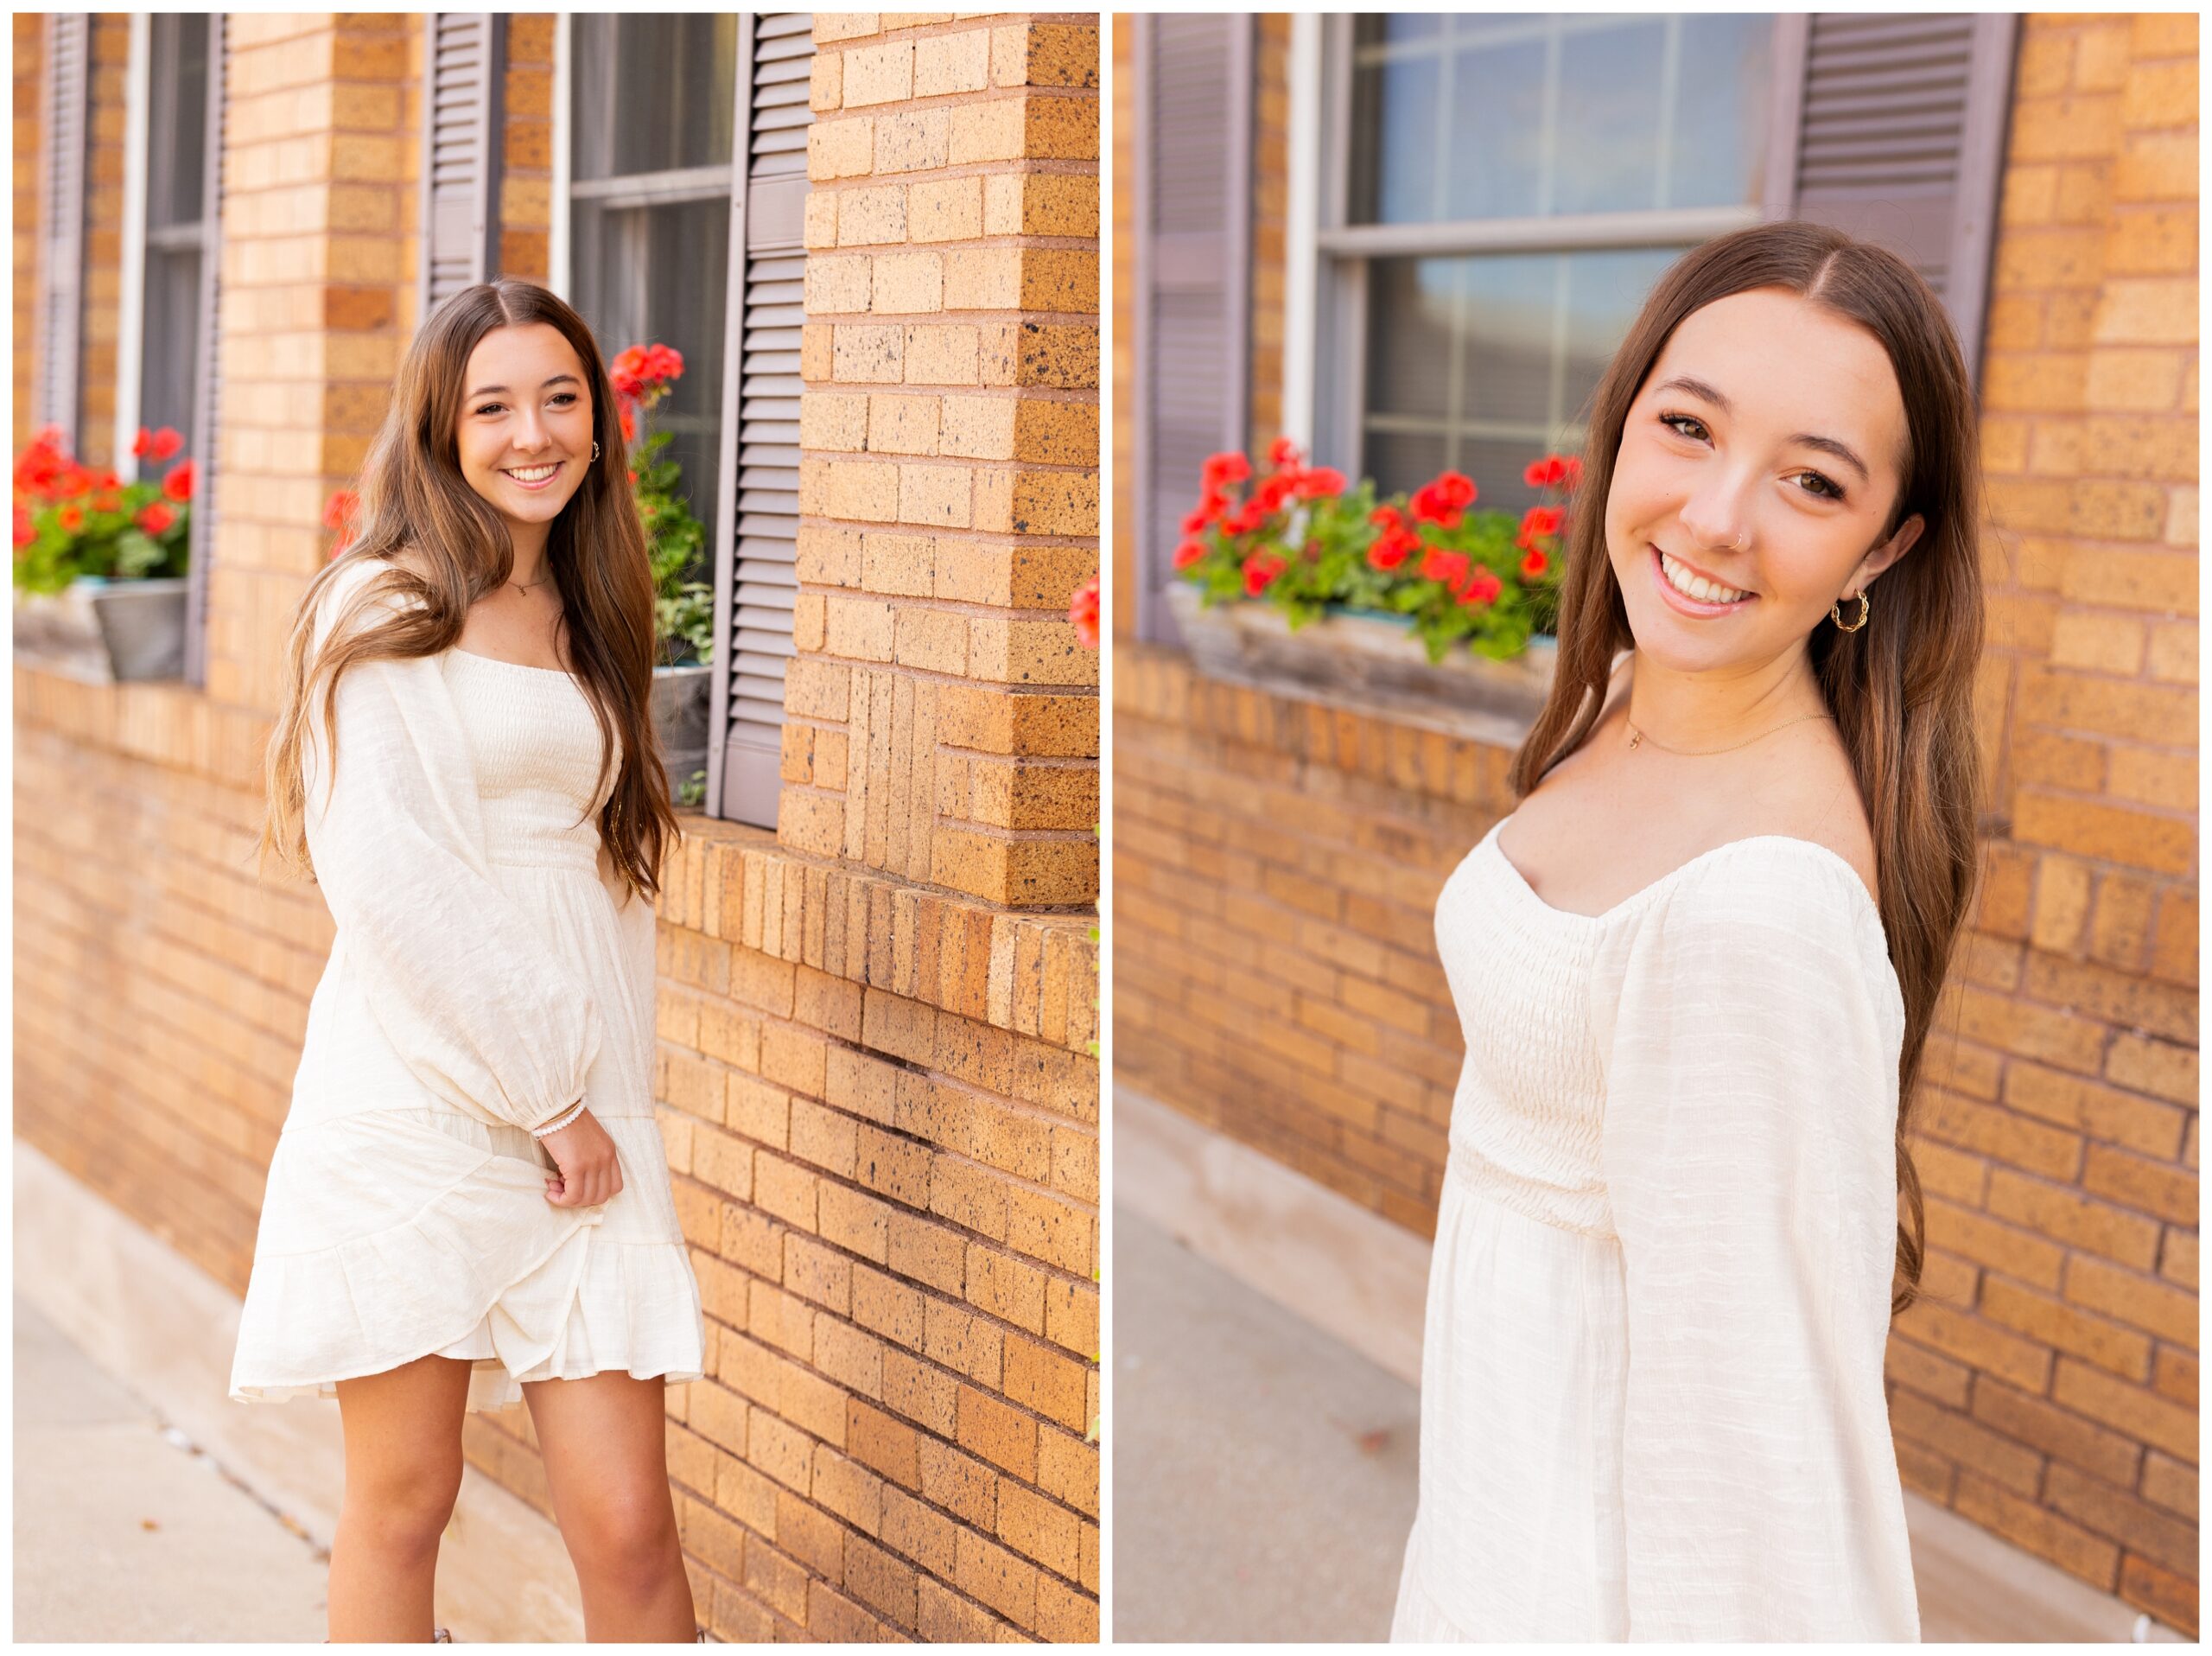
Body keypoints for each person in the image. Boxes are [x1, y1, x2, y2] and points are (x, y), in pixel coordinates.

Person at [1388, 220, 1986, 1641]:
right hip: (1492, 1522)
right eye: (1688, 426)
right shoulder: (1620, 715)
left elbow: (1759, 1463)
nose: (1719, 517)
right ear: (1623, 424)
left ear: (1883, 546)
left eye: (1811, 480)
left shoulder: (1760, 911)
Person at [229, 277, 709, 1642]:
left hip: (588, 1120)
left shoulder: (595, 613)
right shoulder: (376, 608)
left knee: (629, 1529)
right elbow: (394, 881)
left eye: (561, 398)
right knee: (405, 1502)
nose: (533, 433)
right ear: (438, 432)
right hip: (424, 1103)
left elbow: (596, 889)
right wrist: (544, 1092)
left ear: (601, 424)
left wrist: (588, 1102)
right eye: (491, 406)